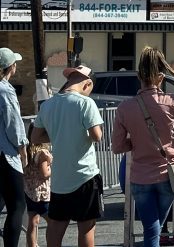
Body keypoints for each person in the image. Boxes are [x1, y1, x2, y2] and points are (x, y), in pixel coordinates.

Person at [111, 47, 174, 247]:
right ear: (161, 77)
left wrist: (135, 142)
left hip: (140, 177)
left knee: (152, 229)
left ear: (139, 76)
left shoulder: (124, 108)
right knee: (155, 228)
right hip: (168, 176)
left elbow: (117, 147)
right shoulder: (172, 102)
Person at [31, 65, 104, 247]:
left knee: (55, 227)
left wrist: (59, 134)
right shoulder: (86, 103)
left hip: (60, 180)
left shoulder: (47, 105)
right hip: (85, 175)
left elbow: (35, 137)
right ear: (87, 84)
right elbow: (97, 136)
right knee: (86, 228)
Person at [0, 47, 28, 247]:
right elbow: (13, 124)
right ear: (10, 67)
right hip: (5, 154)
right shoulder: (5, 90)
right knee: (17, 205)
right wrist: (22, 149)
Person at [23, 124, 52, 247]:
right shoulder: (42, 153)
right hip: (42, 193)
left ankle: (32, 245)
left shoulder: (27, 151)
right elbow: (44, 174)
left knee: (33, 221)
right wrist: (52, 170)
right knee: (52, 222)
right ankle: (52, 243)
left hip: (29, 191)